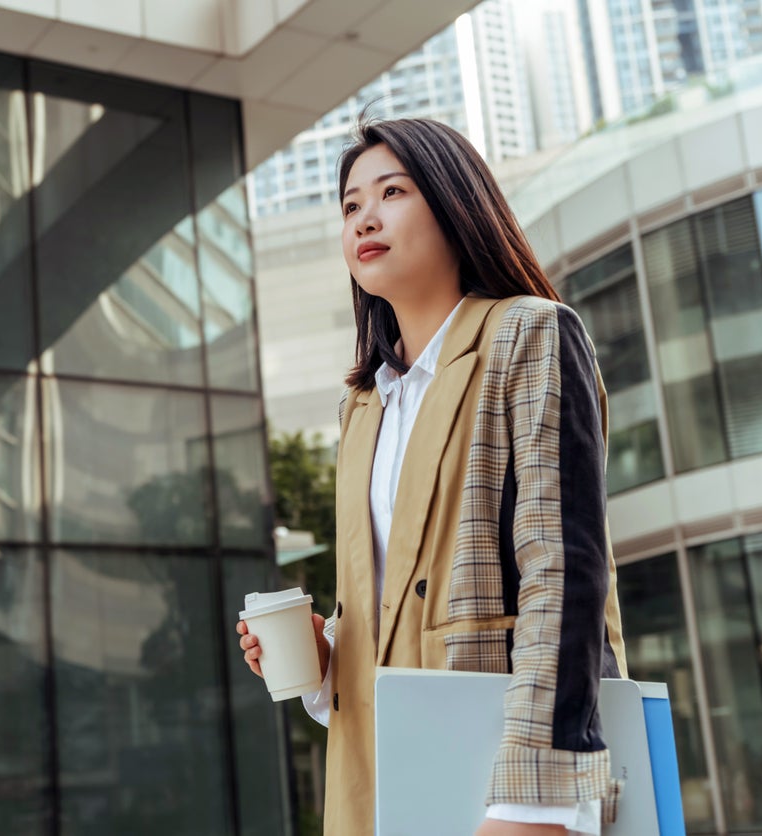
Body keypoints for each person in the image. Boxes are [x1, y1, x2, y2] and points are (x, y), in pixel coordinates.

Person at [236, 117, 628, 836]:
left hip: (504, 786)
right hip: (379, 781)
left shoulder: (529, 333)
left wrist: (530, 803)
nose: (365, 217)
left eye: (392, 191)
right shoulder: (364, 404)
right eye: (350, 205)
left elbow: (562, 572)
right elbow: (385, 612)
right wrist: (324, 662)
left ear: (453, 203)